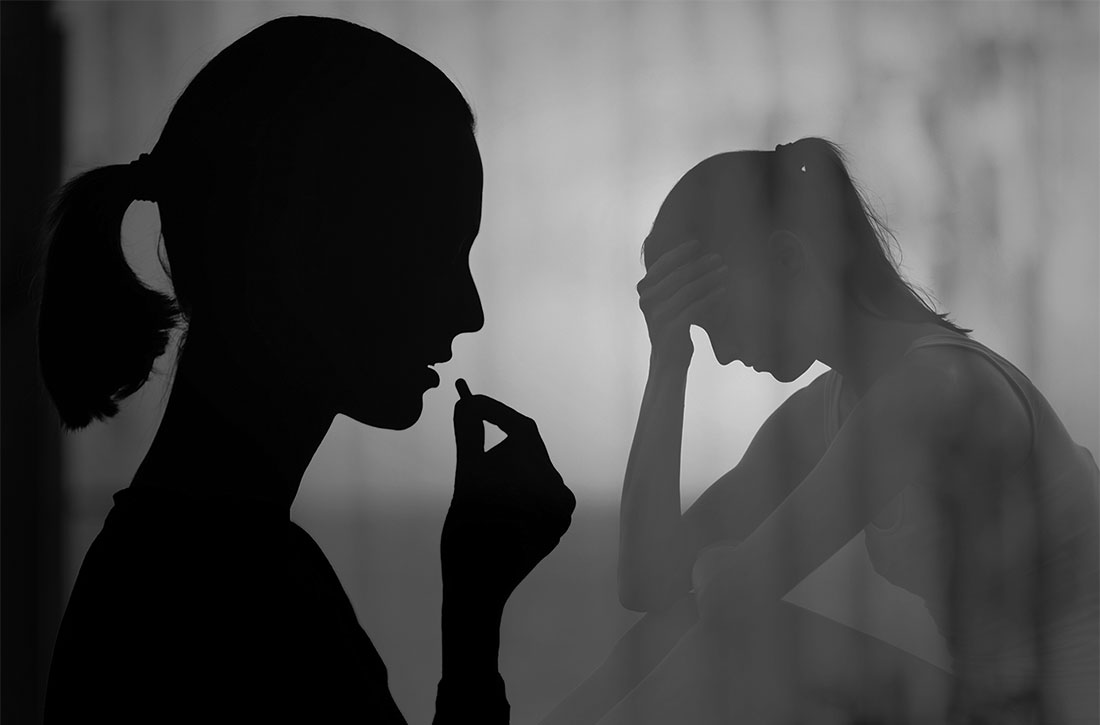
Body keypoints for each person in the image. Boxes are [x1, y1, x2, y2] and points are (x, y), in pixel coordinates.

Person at [38, 16, 575, 723]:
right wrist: (471, 619)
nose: (468, 310)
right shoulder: (228, 598)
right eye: (435, 251)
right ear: (303, 252)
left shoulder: (190, 563)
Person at [544, 138, 1098, 725]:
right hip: (993, 707)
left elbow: (737, 605)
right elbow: (649, 583)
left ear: (788, 260)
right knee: (697, 626)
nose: (725, 354)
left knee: (730, 636)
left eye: (719, 320)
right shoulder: (830, 409)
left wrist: (718, 577)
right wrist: (667, 365)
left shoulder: (937, 388)